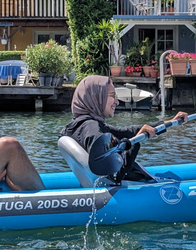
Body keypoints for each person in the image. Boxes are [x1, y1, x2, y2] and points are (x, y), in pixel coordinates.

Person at [60, 75, 188, 182]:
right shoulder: (91, 128)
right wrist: (134, 143)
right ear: (96, 97)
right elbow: (115, 175)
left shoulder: (80, 126)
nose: (117, 101)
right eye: (112, 96)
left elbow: (125, 132)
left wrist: (169, 123)